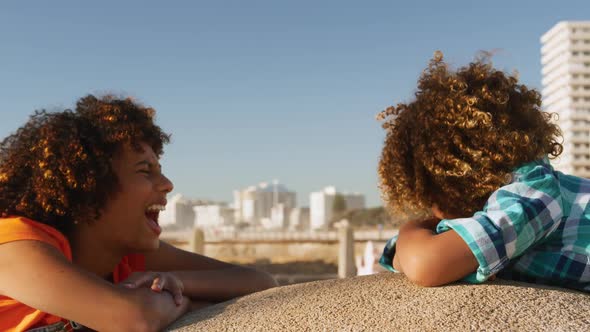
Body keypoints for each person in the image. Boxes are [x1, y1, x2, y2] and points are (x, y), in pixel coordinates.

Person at [0, 95, 278, 331]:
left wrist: (178, 282)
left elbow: (260, 282)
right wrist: (186, 302)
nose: (168, 184)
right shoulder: (12, 242)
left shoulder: (130, 254)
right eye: (145, 171)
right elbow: (132, 318)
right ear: (88, 185)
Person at [376, 51, 589, 292]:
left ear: (450, 184)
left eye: (428, 198)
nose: (432, 212)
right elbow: (398, 257)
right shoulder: (505, 207)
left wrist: (413, 227)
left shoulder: (533, 193)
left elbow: (423, 264)